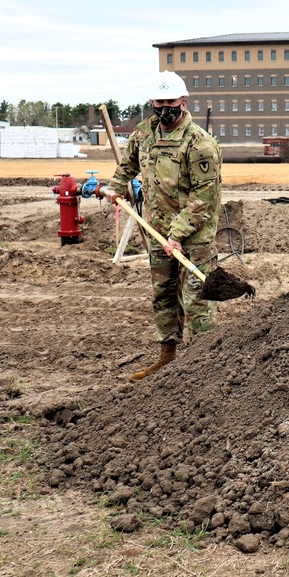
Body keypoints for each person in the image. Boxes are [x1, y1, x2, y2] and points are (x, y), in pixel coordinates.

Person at [102, 70, 223, 381]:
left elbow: (204, 197)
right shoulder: (144, 133)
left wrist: (177, 234)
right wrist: (116, 185)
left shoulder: (199, 143)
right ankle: (168, 358)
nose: (165, 107)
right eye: (159, 101)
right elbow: (128, 163)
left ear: (183, 102)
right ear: (151, 102)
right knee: (163, 296)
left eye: (171, 101)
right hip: (156, 233)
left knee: (197, 300)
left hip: (193, 238)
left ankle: (205, 367)